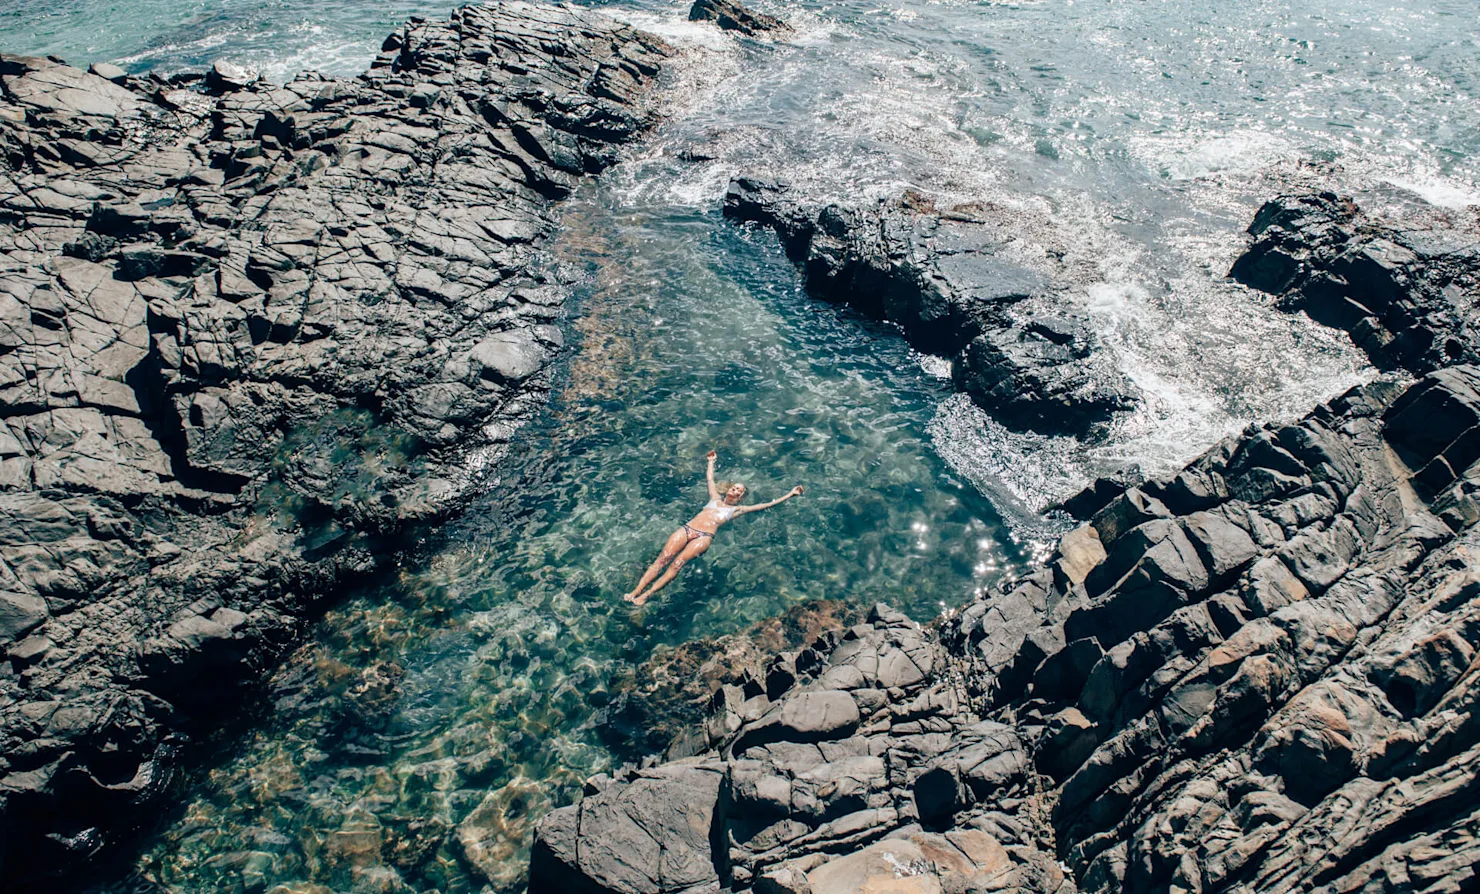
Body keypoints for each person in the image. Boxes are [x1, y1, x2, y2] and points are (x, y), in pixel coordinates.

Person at [623, 450, 803, 606]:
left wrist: (790, 494)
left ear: (740, 498)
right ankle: (635, 591)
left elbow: (765, 505)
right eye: (734, 488)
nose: (735, 490)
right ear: (728, 490)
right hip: (688, 529)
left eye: (739, 491)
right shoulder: (714, 498)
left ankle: (646, 595)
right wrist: (711, 462)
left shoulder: (737, 510)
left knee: (676, 565)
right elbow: (709, 478)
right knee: (663, 559)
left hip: (704, 537)